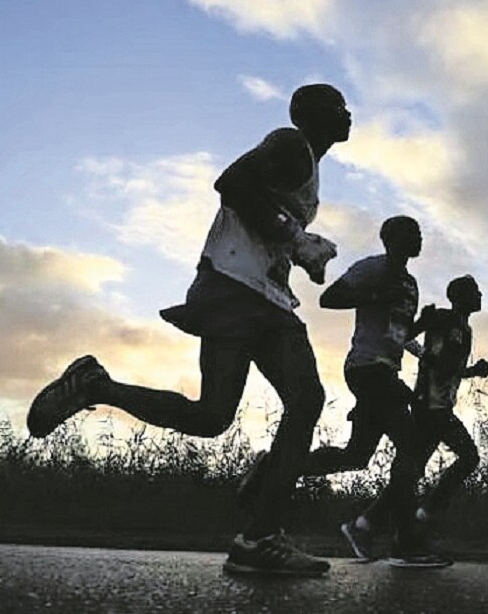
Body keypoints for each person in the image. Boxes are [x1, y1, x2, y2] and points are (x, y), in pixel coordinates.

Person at [26, 84, 348, 576]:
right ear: (319, 115)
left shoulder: (305, 165)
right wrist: (296, 238)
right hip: (237, 292)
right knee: (298, 402)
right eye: (341, 108)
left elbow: (257, 210)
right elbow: (232, 184)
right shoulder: (291, 145)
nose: (349, 116)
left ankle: (97, 385)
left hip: (255, 293)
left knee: (217, 416)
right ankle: (259, 536)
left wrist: (297, 254)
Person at [299, 216, 449, 568]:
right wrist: (378, 293)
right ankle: (404, 542)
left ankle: (279, 467)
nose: (419, 238)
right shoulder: (373, 268)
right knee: (412, 447)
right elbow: (329, 298)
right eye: (412, 233)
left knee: (357, 456)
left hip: (385, 367)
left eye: (420, 233)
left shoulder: (410, 283)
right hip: (367, 368)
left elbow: (396, 332)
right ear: (391, 238)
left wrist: (421, 327)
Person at [410, 275, 488, 536]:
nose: (480, 296)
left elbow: (450, 369)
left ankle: (375, 523)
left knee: (414, 467)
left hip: (441, 405)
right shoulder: (443, 319)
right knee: (469, 456)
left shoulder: (465, 330)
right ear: (462, 297)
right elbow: (405, 337)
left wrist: (473, 371)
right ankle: (425, 513)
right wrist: (422, 329)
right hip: (428, 404)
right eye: (475, 291)